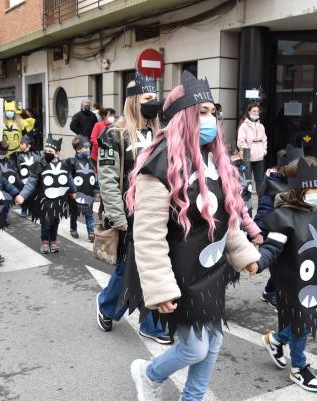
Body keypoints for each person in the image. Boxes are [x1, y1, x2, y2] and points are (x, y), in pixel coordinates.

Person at [125, 71, 260, 401]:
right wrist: (159, 288)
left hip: (210, 269)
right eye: (201, 113)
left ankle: (193, 397)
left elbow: (225, 217)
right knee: (194, 347)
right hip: (180, 274)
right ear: (182, 118)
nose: (211, 119)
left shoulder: (214, 161)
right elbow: (148, 235)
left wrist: (243, 254)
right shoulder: (157, 167)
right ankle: (148, 373)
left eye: (213, 112)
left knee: (213, 340)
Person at [257, 156, 317, 393]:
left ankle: (275, 339)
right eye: (312, 187)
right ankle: (298, 367)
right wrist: (256, 264)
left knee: (305, 320)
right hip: (294, 280)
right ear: (297, 190)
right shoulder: (285, 216)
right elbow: (272, 247)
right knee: (301, 321)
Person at [95, 71, 169, 344]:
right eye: (148, 97)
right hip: (130, 214)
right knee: (132, 266)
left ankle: (150, 322)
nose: (154, 101)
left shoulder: (161, 133)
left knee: (153, 263)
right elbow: (107, 178)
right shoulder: (113, 134)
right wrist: (117, 216)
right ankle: (107, 305)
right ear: (134, 100)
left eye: (155, 96)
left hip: (159, 211)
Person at [255, 145, 304, 309]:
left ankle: (270, 290)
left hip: (291, 231)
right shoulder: (272, 184)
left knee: (285, 264)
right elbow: (264, 210)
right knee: (278, 265)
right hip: (274, 231)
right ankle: (271, 293)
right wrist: (258, 233)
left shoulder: (296, 181)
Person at [15, 135, 74, 254]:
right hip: (45, 200)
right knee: (46, 222)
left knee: (56, 221)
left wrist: (73, 191)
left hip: (59, 200)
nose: (47, 153)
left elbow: (69, 179)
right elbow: (31, 182)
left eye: (50, 151)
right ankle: (45, 241)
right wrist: (22, 195)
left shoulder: (64, 165)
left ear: (57, 153)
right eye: (46, 151)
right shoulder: (40, 165)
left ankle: (53, 240)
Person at [67, 136, 99, 242]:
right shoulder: (72, 162)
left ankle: (91, 232)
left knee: (89, 213)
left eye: (88, 147)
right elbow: (69, 177)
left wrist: (96, 188)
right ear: (78, 150)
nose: (88, 149)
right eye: (85, 147)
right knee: (74, 213)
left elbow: (93, 175)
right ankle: (73, 228)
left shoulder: (90, 161)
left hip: (88, 192)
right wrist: (72, 191)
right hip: (76, 193)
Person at [237, 103, 267, 191]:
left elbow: (264, 139)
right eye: (254, 111)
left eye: (257, 111)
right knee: (247, 181)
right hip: (247, 157)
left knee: (260, 180)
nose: (256, 113)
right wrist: (248, 151)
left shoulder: (261, 126)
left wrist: (264, 151)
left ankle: (261, 202)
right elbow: (241, 141)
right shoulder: (244, 126)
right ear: (249, 112)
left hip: (259, 156)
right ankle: (247, 202)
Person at [15, 134, 40, 218]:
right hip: (23, 179)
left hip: (32, 178)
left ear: (28, 145)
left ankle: (32, 210)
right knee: (23, 194)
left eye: (22, 144)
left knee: (33, 195)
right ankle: (24, 209)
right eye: (20, 143)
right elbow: (18, 167)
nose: (20, 145)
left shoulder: (36, 155)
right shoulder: (19, 156)